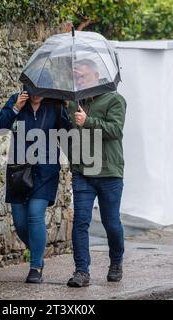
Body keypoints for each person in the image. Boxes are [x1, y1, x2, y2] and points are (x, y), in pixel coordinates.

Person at [0, 84, 70, 284]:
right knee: (20, 223)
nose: (35, 95)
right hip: (19, 171)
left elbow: (68, 134)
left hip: (45, 172)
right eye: (31, 90)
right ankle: (38, 253)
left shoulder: (56, 106)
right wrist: (15, 109)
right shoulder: (16, 101)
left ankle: (35, 266)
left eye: (39, 91)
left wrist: (70, 112)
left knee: (35, 215)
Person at [66, 59, 127, 287]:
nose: (79, 80)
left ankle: (116, 261)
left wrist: (87, 121)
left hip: (109, 172)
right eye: (77, 77)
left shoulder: (115, 99)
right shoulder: (73, 103)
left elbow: (115, 130)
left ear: (95, 74)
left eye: (82, 76)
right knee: (80, 222)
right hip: (83, 171)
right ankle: (81, 271)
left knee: (111, 222)